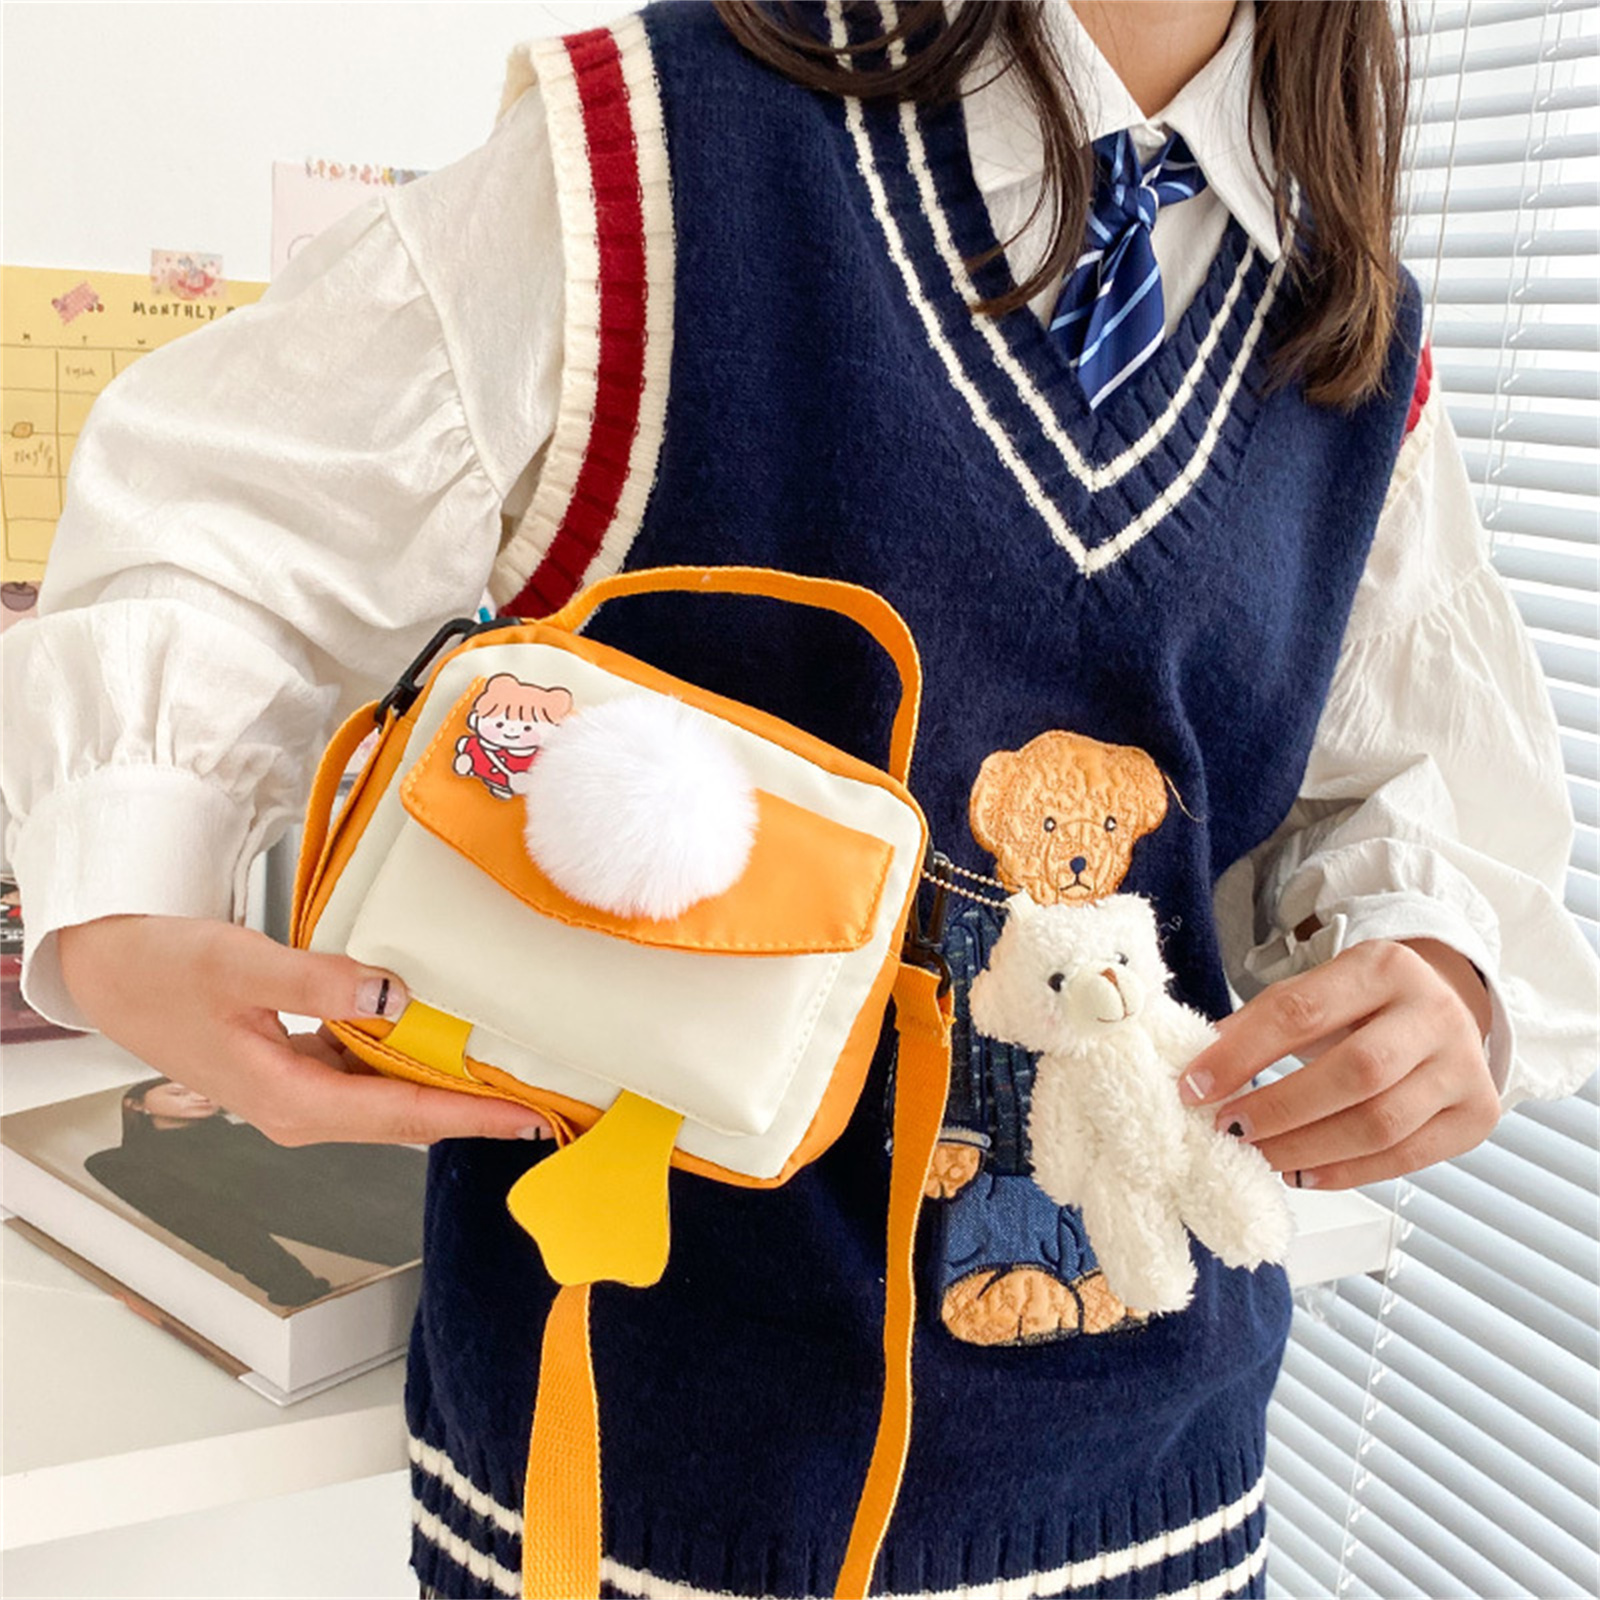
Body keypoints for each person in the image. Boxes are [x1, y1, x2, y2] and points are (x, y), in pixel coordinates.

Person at [3, 1, 1595, 1596]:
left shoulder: (1347, 330)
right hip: (635, 1482)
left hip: (1155, 1493)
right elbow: (220, 529)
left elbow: (1419, 789)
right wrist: (123, 909)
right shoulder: (646, 156)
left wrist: (1436, 980)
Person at [84, 1077, 426, 1307]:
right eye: (178, 1092)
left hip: (423, 1189)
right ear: (136, 1104)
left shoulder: (257, 1129)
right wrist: (297, 1288)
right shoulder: (124, 1163)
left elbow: (370, 1154)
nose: (200, 1096)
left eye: (206, 1087)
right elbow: (215, 1228)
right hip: (379, 1228)